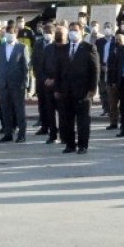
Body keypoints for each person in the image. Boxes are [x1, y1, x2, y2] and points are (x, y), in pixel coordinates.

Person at [51, 21, 99, 154]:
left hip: (83, 91)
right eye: (71, 30)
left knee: (83, 121)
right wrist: (57, 89)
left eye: (76, 30)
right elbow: (58, 70)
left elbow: (95, 70)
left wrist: (92, 89)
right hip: (66, 91)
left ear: (82, 32)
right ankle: (70, 145)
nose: (73, 33)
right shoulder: (62, 49)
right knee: (67, 120)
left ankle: (83, 145)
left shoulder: (89, 48)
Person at [0, 26, 29, 143]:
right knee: (5, 110)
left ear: (16, 33)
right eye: (7, 33)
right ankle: (8, 133)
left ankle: (22, 134)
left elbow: (26, 67)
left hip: (17, 84)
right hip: (3, 84)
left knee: (19, 110)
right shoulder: (0, 47)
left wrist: (25, 83)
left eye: (11, 33)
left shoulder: (22, 47)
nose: (8, 35)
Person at [31, 21, 60, 143]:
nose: (47, 34)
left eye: (50, 32)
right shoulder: (38, 44)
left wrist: (52, 79)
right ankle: (44, 126)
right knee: (42, 105)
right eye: (45, 32)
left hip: (55, 81)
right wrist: (43, 78)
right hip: (41, 79)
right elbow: (36, 62)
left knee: (55, 107)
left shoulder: (57, 45)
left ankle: (56, 130)